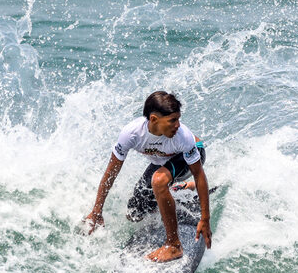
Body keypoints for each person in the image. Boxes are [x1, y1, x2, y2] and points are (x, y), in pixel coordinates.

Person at [84, 91, 212, 262]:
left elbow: (199, 175)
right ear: (153, 120)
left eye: (178, 119)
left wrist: (205, 218)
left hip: (190, 158)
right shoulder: (132, 134)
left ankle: (174, 245)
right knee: (134, 214)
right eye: (172, 120)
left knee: (158, 181)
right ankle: (176, 191)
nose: (178, 125)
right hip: (161, 163)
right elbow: (111, 173)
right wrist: (96, 211)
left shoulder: (183, 137)